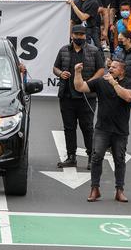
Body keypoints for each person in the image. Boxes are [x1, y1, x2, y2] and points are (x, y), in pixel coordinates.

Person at [74, 60, 131, 203]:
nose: (110, 69)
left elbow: (128, 97)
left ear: (122, 71)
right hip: (102, 128)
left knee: (120, 160)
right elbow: (80, 87)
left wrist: (114, 83)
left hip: (120, 130)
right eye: (110, 67)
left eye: (114, 67)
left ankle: (119, 190)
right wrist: (77, 73)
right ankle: (94, 189)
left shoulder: (130, 83)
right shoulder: (101, 82)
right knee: (96, 158)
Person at [53, 25, 105, 170]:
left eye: (81, 35)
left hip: (86, 97)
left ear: (85, 36)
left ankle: (91, 158)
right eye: (76, 34)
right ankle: (71, 157)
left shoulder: (93, 51)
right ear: (71, 35)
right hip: (67, 96)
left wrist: (89, 83)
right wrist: (60, 73)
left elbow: (101, 69)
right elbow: (55, 67)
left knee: (87, 127)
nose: (79, 37)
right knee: (69, 128)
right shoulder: (64, 50)